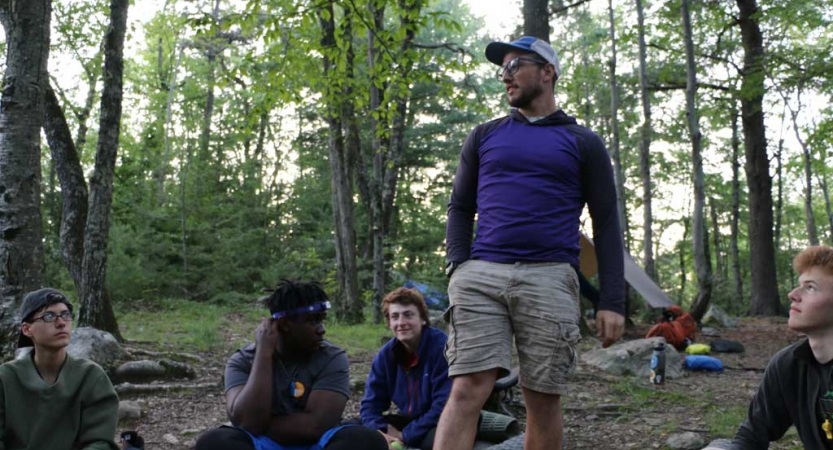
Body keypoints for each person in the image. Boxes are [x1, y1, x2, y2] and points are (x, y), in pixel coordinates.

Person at [437, 36, 626, 450]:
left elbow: (608, 223)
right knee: (469, 387)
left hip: (550, 277)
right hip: (481, 274)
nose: (504, 75)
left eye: (514, 65)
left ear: (548, 71)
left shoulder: (584, 142)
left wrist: (612, 299)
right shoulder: (484, 136)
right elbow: (459, 206)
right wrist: (458, 265)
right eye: (500, 69)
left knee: (541, 398)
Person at [194, 280, 387, 450]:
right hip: (263, 445)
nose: (322, 330)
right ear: (284, 324)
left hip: (319, 444)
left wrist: (260, 424)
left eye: (321, 320)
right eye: (312, 321)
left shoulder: (331, 357)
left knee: (366, 440)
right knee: (213, 442)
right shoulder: (242, 361)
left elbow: (316, 426)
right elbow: (247, 423)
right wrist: (263, 354)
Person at [703, 245, 833, 449]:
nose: (792, 294)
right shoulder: (788, 364)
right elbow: (752, 435)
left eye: (810, 287)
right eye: (799, 285)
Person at [0, 288, 119, 450]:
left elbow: (100, 442)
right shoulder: (5, 378)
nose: (61, 323)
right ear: (27, 330)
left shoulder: (91, 377)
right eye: (49, 316)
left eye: (66, 315)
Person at [360, 287, 451, 450]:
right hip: (407, 420)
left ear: (422, 318)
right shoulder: (386, 355)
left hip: (438, 421)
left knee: (439, 438)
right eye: (395, 317)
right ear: (389, 323)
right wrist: (381, 431)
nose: (401, 322)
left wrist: (406, 435)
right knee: (352, 428)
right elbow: (370, 405)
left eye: (408, 315)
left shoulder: (442, 348)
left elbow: (443, 405)